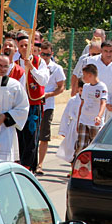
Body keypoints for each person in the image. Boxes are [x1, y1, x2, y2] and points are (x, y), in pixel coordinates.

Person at [15, 35, 49, 172]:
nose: (24, 48)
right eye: (22, 45)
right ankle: (20, 163)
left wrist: (31, 68)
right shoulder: (14, 62)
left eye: (26, 45)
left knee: (32, 135)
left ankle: (28, 166)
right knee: (19, 134)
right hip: (17, 104)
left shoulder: (39, 62)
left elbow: (43, 80)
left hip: (33, 103)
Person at [36, 42, 65, 175]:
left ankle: (40, 164)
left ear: (51, 54)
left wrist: (49, 95)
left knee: (44, 136)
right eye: (43, 54)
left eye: (48, 54)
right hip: (34, 103)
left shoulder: (57, 68)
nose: (45, 57)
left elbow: (61, 87)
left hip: (47, 105)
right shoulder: (34, 65)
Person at [75, 64, 108, 157]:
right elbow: (82, 104)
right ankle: (77, 168)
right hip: (84, 120)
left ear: (90, 75)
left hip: (94, 122)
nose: (83, 77)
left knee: (94, 146)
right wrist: (78, 121)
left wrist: (99, 116)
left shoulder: (102, 87)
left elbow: (103, 103)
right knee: (81, 146)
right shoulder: (86, 86)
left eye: (84, 75)